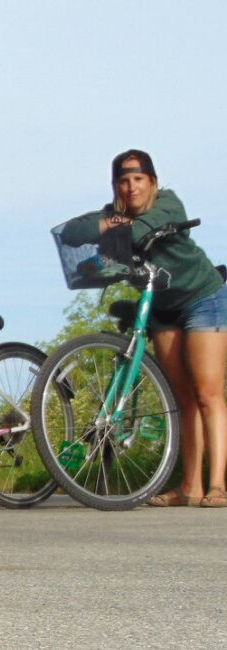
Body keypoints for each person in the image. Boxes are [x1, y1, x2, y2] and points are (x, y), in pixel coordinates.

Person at [60, 149, 227, 508]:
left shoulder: (169, 203)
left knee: (207, 392)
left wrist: (116, 230)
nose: (131, 187)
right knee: (182, 397)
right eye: (124, 180)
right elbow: (72, 232)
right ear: (116, 185)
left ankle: (217, 485)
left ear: (151, 181)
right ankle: (190, 486)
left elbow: (144, 231)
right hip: (163, 308)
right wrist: (107, 224)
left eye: (138, 179)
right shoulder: (115, 214)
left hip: (204, 299)